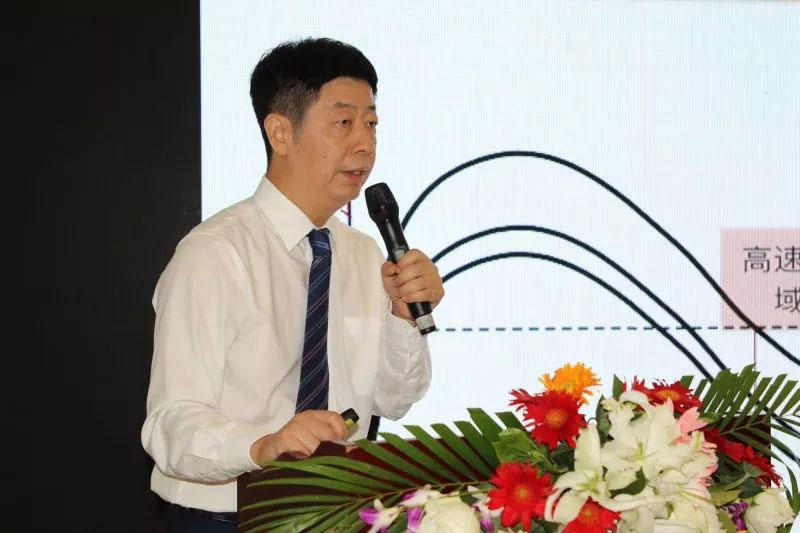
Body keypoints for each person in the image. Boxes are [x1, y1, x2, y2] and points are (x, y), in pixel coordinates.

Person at [141, 37, 445, 532]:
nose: (364, 144)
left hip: (337, 514)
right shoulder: (215, 254)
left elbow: (394, 399)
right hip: (225, 519)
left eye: (371, 124)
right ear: (281, 133)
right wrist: (263, 446)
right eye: (343, 123)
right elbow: (169, 426)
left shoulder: (363, 252)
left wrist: (402, 317)